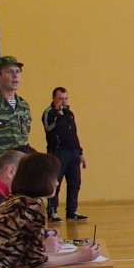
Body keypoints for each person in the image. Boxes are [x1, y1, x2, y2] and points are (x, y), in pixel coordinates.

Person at [42, 87, 88, 221]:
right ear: (54, 98)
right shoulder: (49, 113)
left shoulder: (69, 113)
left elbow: (74, 134)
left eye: (66, 98)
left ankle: (72, 211)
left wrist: (80, 153)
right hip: (58, 152)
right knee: (56, 183)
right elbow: (48, 128)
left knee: (75, 182)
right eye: (61, 98)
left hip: (73, 152)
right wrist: (58, 115)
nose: (64, 101)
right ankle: (52, 211)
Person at [0, 56, 32, 160]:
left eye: (17, 71)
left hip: (21, 163)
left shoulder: (24, 106)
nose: (15, 76)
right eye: (9, 72)